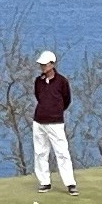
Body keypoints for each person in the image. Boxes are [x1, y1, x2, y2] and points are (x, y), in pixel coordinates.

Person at [30, 48, 79, 194]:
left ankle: (70, 184)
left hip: (55, 122)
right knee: (40, 152)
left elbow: (66, 100)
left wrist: (55, 111)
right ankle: (44, 182)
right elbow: (39, 97)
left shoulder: (62, 81)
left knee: (62, 153)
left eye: (45, 65)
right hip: (39, 122)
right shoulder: (38, 82)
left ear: (52, 64)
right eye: (41, 65)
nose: (42, 67)